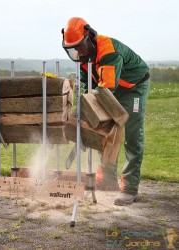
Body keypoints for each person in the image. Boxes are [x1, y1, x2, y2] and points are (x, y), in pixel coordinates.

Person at [61, 17, 150, 206]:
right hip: (109, 87)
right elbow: (87, 85)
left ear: (89, 37)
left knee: (131, 134)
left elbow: (106, 91)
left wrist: (92, 110)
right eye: (73, 47)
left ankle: (130, 189)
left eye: (80, 46)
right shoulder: (82, 56)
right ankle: (107, 180)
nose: (77, 51)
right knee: (106, 130)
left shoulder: (108, 51)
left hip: (134, 86)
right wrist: (82, 111)